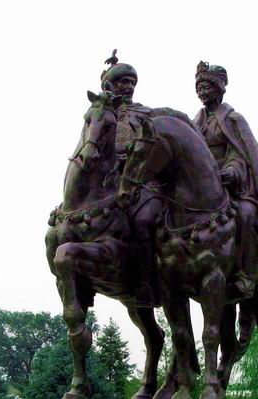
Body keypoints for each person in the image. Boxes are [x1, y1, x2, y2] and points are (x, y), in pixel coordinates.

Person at [193, 61, 258, 299]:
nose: (202, 91)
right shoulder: (196, 122)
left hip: (234, 187)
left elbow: (242, 154)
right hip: (203, 188)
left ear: (219, 89)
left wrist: (232, 170)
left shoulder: (233, 120)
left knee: (245, 214)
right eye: (199, 87)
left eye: (207, 86)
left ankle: (246, 273)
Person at [100, 51, 161, 306]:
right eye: (122, 82)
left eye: (131, 83)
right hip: (112, 185)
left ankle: (149, 278)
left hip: (144, 183)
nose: (128, 87)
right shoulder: (101, 115)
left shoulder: (145, 113)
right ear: (110, 86)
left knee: (144, 220)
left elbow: (157, 148)